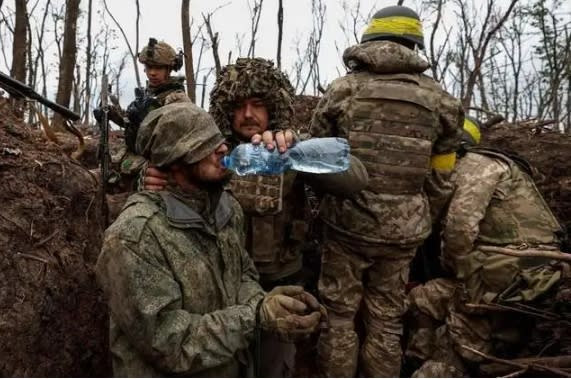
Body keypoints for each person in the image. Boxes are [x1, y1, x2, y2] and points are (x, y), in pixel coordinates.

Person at [144, 57, 369, 377]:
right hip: (219, 288)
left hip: (279, 283)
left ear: (274, 106)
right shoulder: (207, 153)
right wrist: (151, 180)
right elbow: (161, 188)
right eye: (239, 106)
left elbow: (357, 178)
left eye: (258, 104)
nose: (248, 114)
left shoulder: (290, 148)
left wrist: (297, 150)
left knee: (272, 368)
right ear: (225, 108)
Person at [95, 102, 326, 377]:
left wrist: (268, 305)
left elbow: (242, 277)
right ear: (174, 159)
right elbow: (169, 344)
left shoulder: (226, 210)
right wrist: (256, 317)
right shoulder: (134, 237)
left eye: (217, 139)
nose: (222, 148)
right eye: (204, 144)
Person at [308, 5, 464, 377]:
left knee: (340, 317)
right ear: (414, 42)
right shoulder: (442, 100)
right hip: (402, 234)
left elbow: (318, 156)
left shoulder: (343, 89)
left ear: (370, 37)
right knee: (387, 318)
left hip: (346, 226)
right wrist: (422, 214)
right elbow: (442, 179)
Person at [406, 117, 567, 377]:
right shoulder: (467, 168)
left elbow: (460, 229)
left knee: (454, 354)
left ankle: (441, 363)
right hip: (495, 268)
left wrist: (456, 268)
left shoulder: (478, 167)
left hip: (510, 271)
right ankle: (416, 359)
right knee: (421, 300)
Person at [95, 37, 189, 193]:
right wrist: (111, 114)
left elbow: (177, 141)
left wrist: (146, 121)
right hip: (131, 156)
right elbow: (130, 122)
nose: (152, 72)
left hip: (155, 168)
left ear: (169, 69)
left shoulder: (176, 98)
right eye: (149, 67)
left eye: (158, 68)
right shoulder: (147, 94)